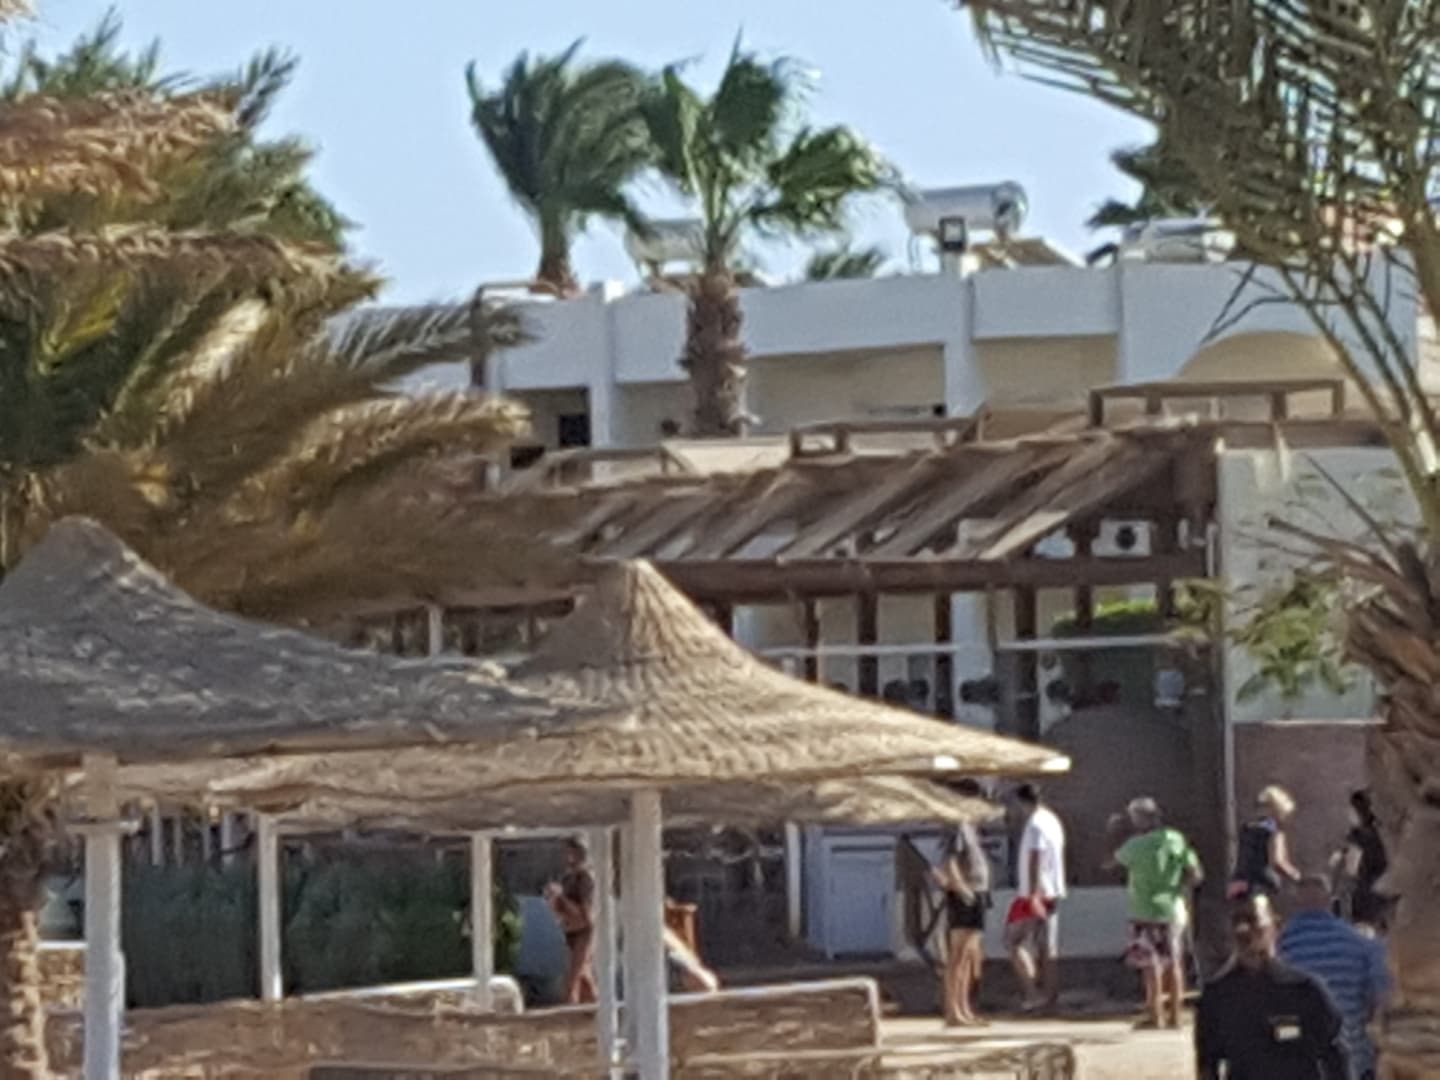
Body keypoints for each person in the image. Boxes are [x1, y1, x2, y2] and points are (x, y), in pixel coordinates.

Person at [1196, 894, 1350, 1080]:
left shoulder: (1305, 991)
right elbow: (1207, 1064)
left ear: (1275, 927)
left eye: (1253, 920)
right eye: (1237, 921)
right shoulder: (1218, 997)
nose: (1243, 930)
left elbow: (1335, 1055)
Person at [1279, 874, 1390, 1080]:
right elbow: (1381, 1002)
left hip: (1296, 1063)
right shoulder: (1363, 947)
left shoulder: (1281, 948)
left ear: (1295, 903)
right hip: (1354, 1060)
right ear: (1330, 901)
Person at [1113, 797, 1203, 1029]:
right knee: (1174, 962)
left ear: (1139, 819)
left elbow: (1111, 862)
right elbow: (1195, 873)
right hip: (1172, 908)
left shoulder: (1135, 845)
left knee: (1150, 964)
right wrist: (1178, 887)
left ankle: (1156, 1015)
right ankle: (1176, 1015)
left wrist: (1115, 833)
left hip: (1144, 910)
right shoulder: (1175, 838)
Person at [932, 781, 992, 1027]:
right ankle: (953, 1010)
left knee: (969, 956)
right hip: (965, 893)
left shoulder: (970, 826)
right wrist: (961, 888)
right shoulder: (956, 824)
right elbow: (950, 861)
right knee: (958, 955)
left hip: (977, 891)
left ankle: (964, 1007)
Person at [1008, 782, 1066, 1010]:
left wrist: (1033, 894)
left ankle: (1033, 993)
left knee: (1013, 941)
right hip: (1052, 889)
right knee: (1046, 945)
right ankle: (1050, 996)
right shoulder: (1052, 820)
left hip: (1035, 891)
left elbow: (1036, 856)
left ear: (1021, 802)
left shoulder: (1035, 824)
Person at [545, 836, 597, 1004]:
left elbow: (583, 912)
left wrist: (562, 898)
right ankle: (593, 1007)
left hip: (583, 930)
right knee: (583, 975)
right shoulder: (567, 878)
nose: (569, 857)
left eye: (573, 853)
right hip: (569, 930)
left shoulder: (585, 878)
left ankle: (570, 1008)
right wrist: (553, 900)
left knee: (572, 976)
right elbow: (559, 911)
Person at [1230, 785, 1302, 900]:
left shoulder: (1246, 828)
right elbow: (1278, 861)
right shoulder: (1273, 831)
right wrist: (1297, 876)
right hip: (1263, 883)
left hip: (1238, 883)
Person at [1337, 790, 1389, 932]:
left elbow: (1351, 868)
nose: (1348, 813)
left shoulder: (1358, 836)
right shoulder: (1384, 833)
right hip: (1384, 892)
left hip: (1364, 894)